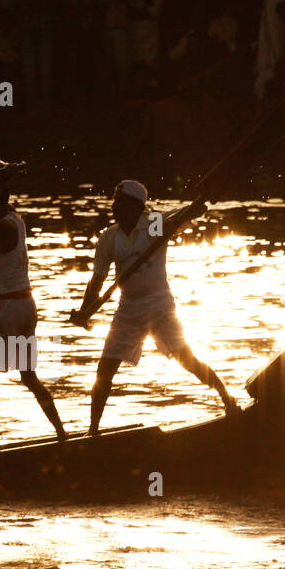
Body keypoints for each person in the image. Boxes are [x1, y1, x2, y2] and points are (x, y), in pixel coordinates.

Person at [80, 180, 241, 436]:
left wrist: (195, 208)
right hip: (128, 309)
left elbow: (189, 214)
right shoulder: (109, 238)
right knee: (104, 370)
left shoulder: (155, 224)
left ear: (136, 206)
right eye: (113, 201)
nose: (113, 207)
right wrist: (83, 310)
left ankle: (227, 398)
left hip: (159, 305)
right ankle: (93, 430)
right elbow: (97, 280)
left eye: (119, 202)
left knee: (186, 359)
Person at [0, 167, 66, 454]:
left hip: (6, 306)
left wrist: (1, 180)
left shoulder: (6, 228)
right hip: (26, 305)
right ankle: (61, 433)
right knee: (29, 377)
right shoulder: (16, 219)